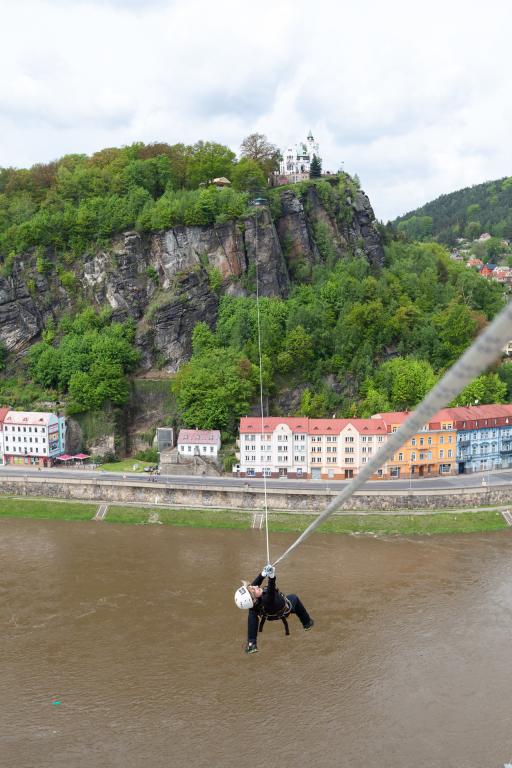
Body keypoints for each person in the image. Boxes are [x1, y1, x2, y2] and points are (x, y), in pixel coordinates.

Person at [234, 564, 314, 654]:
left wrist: (263, 574)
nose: (255, 587)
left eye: (252, 587)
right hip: (284, 609)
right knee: (294, 598)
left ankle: (251, 643)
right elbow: (271, 589)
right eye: (254, 589)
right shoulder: (267, 599)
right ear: (253, 599)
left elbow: (254, 586)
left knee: (252, 612)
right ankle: (307, 623)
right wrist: (272, 576)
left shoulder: (253, 603)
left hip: (268, 613)